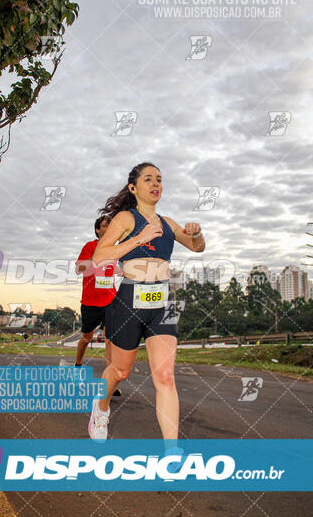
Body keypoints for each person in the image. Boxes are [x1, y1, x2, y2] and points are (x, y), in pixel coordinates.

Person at [88, 162, 205, 443]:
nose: (156, 184)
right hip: (129, 300)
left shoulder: (167, 223)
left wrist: (197, 232)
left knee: (165, 377)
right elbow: (99, 257)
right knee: (120, 371)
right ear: (133, 187)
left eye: (160, 180)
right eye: (149, 179)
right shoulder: (126, 219)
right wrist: (138, 238)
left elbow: (197, 246)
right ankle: (100, 407)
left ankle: (171, 452)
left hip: (161, 303)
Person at [75, 216, 123, 397]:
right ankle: (78, 365)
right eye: (105, 225)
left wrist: (124, 270)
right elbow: (80, 269)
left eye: (111, 225)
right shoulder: (89, 246)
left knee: (110, 340)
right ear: (97, 230)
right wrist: (96, 258)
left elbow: (115, 268)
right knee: (86, 338)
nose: (109, 227)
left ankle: (109, 383)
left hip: (110, 300)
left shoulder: (114, 249)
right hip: (90, 301)